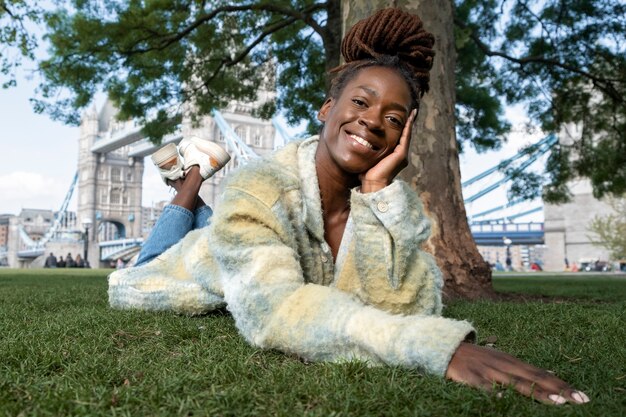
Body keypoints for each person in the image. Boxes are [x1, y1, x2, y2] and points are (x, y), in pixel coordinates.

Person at [108, 8, 589, 405]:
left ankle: (195, 187)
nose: (373, 121)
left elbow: (406, 305)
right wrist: (434, 349)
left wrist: (380, 193)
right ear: (326, 109)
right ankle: (191, 180)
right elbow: (274, 313)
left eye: (393, 117)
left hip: (240, 240)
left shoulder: (387, 206)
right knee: (150, 264)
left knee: (221, 230)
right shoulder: (260, 186)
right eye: (361, 101)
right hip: (177, 272)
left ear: (403, 137)